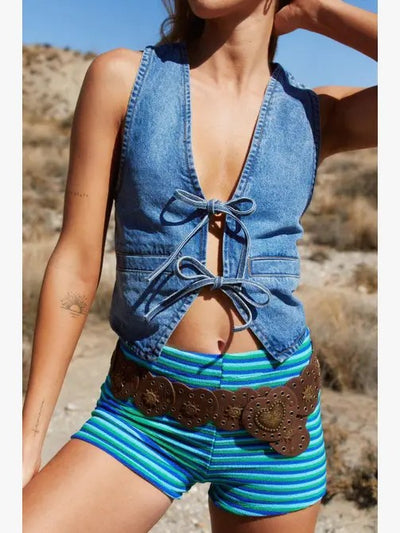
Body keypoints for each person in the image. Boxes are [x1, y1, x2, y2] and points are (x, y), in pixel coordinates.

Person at [22, 0, 377, 531]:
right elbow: (76, 261)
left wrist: (316, 11)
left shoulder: (316, 113)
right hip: (145, 416)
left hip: (278, 426)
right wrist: (26, 441)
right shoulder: (123, 80)